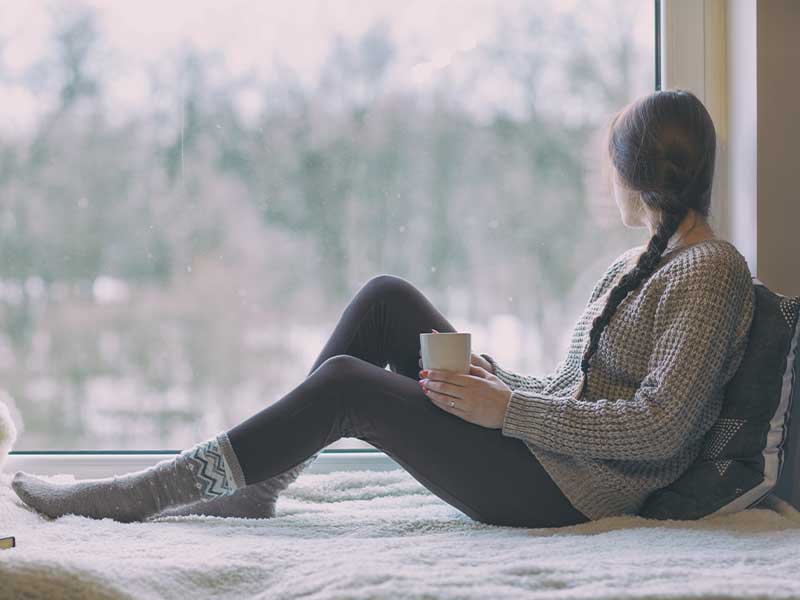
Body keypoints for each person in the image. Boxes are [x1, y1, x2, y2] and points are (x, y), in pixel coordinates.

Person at [11, 89, 755, 528]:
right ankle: (257, 486)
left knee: (347, 385)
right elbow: (580, 393)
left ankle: (142, 494)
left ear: (634, 171)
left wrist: (508, 411)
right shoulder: (636, 263)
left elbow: (660, 427)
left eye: (609, 165)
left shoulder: (711, 269)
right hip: (552, 455)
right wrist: (501, 383)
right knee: (385, 299)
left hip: (574, 493)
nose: (605, 180)